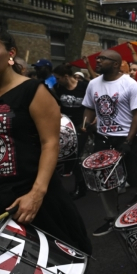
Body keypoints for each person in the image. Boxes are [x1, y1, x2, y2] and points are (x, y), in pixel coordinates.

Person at [0, 30, 91, 254]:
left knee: (51, 271)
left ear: (11, 53)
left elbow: (50, 142)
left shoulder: (33, 90)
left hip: (31, 196)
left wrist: (36, 194)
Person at [81, 50, 137, 236]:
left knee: (136, 179)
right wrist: (86, 124)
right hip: (103, 138)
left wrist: (129, 141)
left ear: (116, 64)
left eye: (103, 59)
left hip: (126, 138)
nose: (97, 60)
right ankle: (112, 218)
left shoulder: (129, 84)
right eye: (97, 57)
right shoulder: (93, 84)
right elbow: (89, 108)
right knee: (106, 181)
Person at [53, 64, 89, 200]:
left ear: (66, 76)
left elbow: (91, 104)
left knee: (76, 155)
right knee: (67, 156)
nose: (57, 81)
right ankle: (80, 183)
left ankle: (81, 186)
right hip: (65, 126)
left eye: (58, 78)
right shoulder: (58, 88)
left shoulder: (84, 87)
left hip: (82, 125)